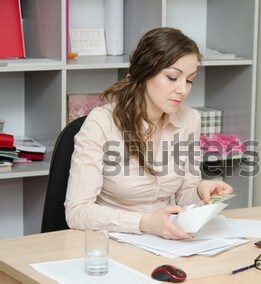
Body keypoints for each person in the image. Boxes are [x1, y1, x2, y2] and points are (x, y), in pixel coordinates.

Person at [65, 27, 233, 240]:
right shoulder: (102, 123)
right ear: (144, 73)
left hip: (164, 241)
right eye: (173, 77)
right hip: (111, 239)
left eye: (189, 80)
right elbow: (76, 211)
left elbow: (185, 197)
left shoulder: (190, 120)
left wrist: (201, 190)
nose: (183, 89)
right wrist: (145, 223)